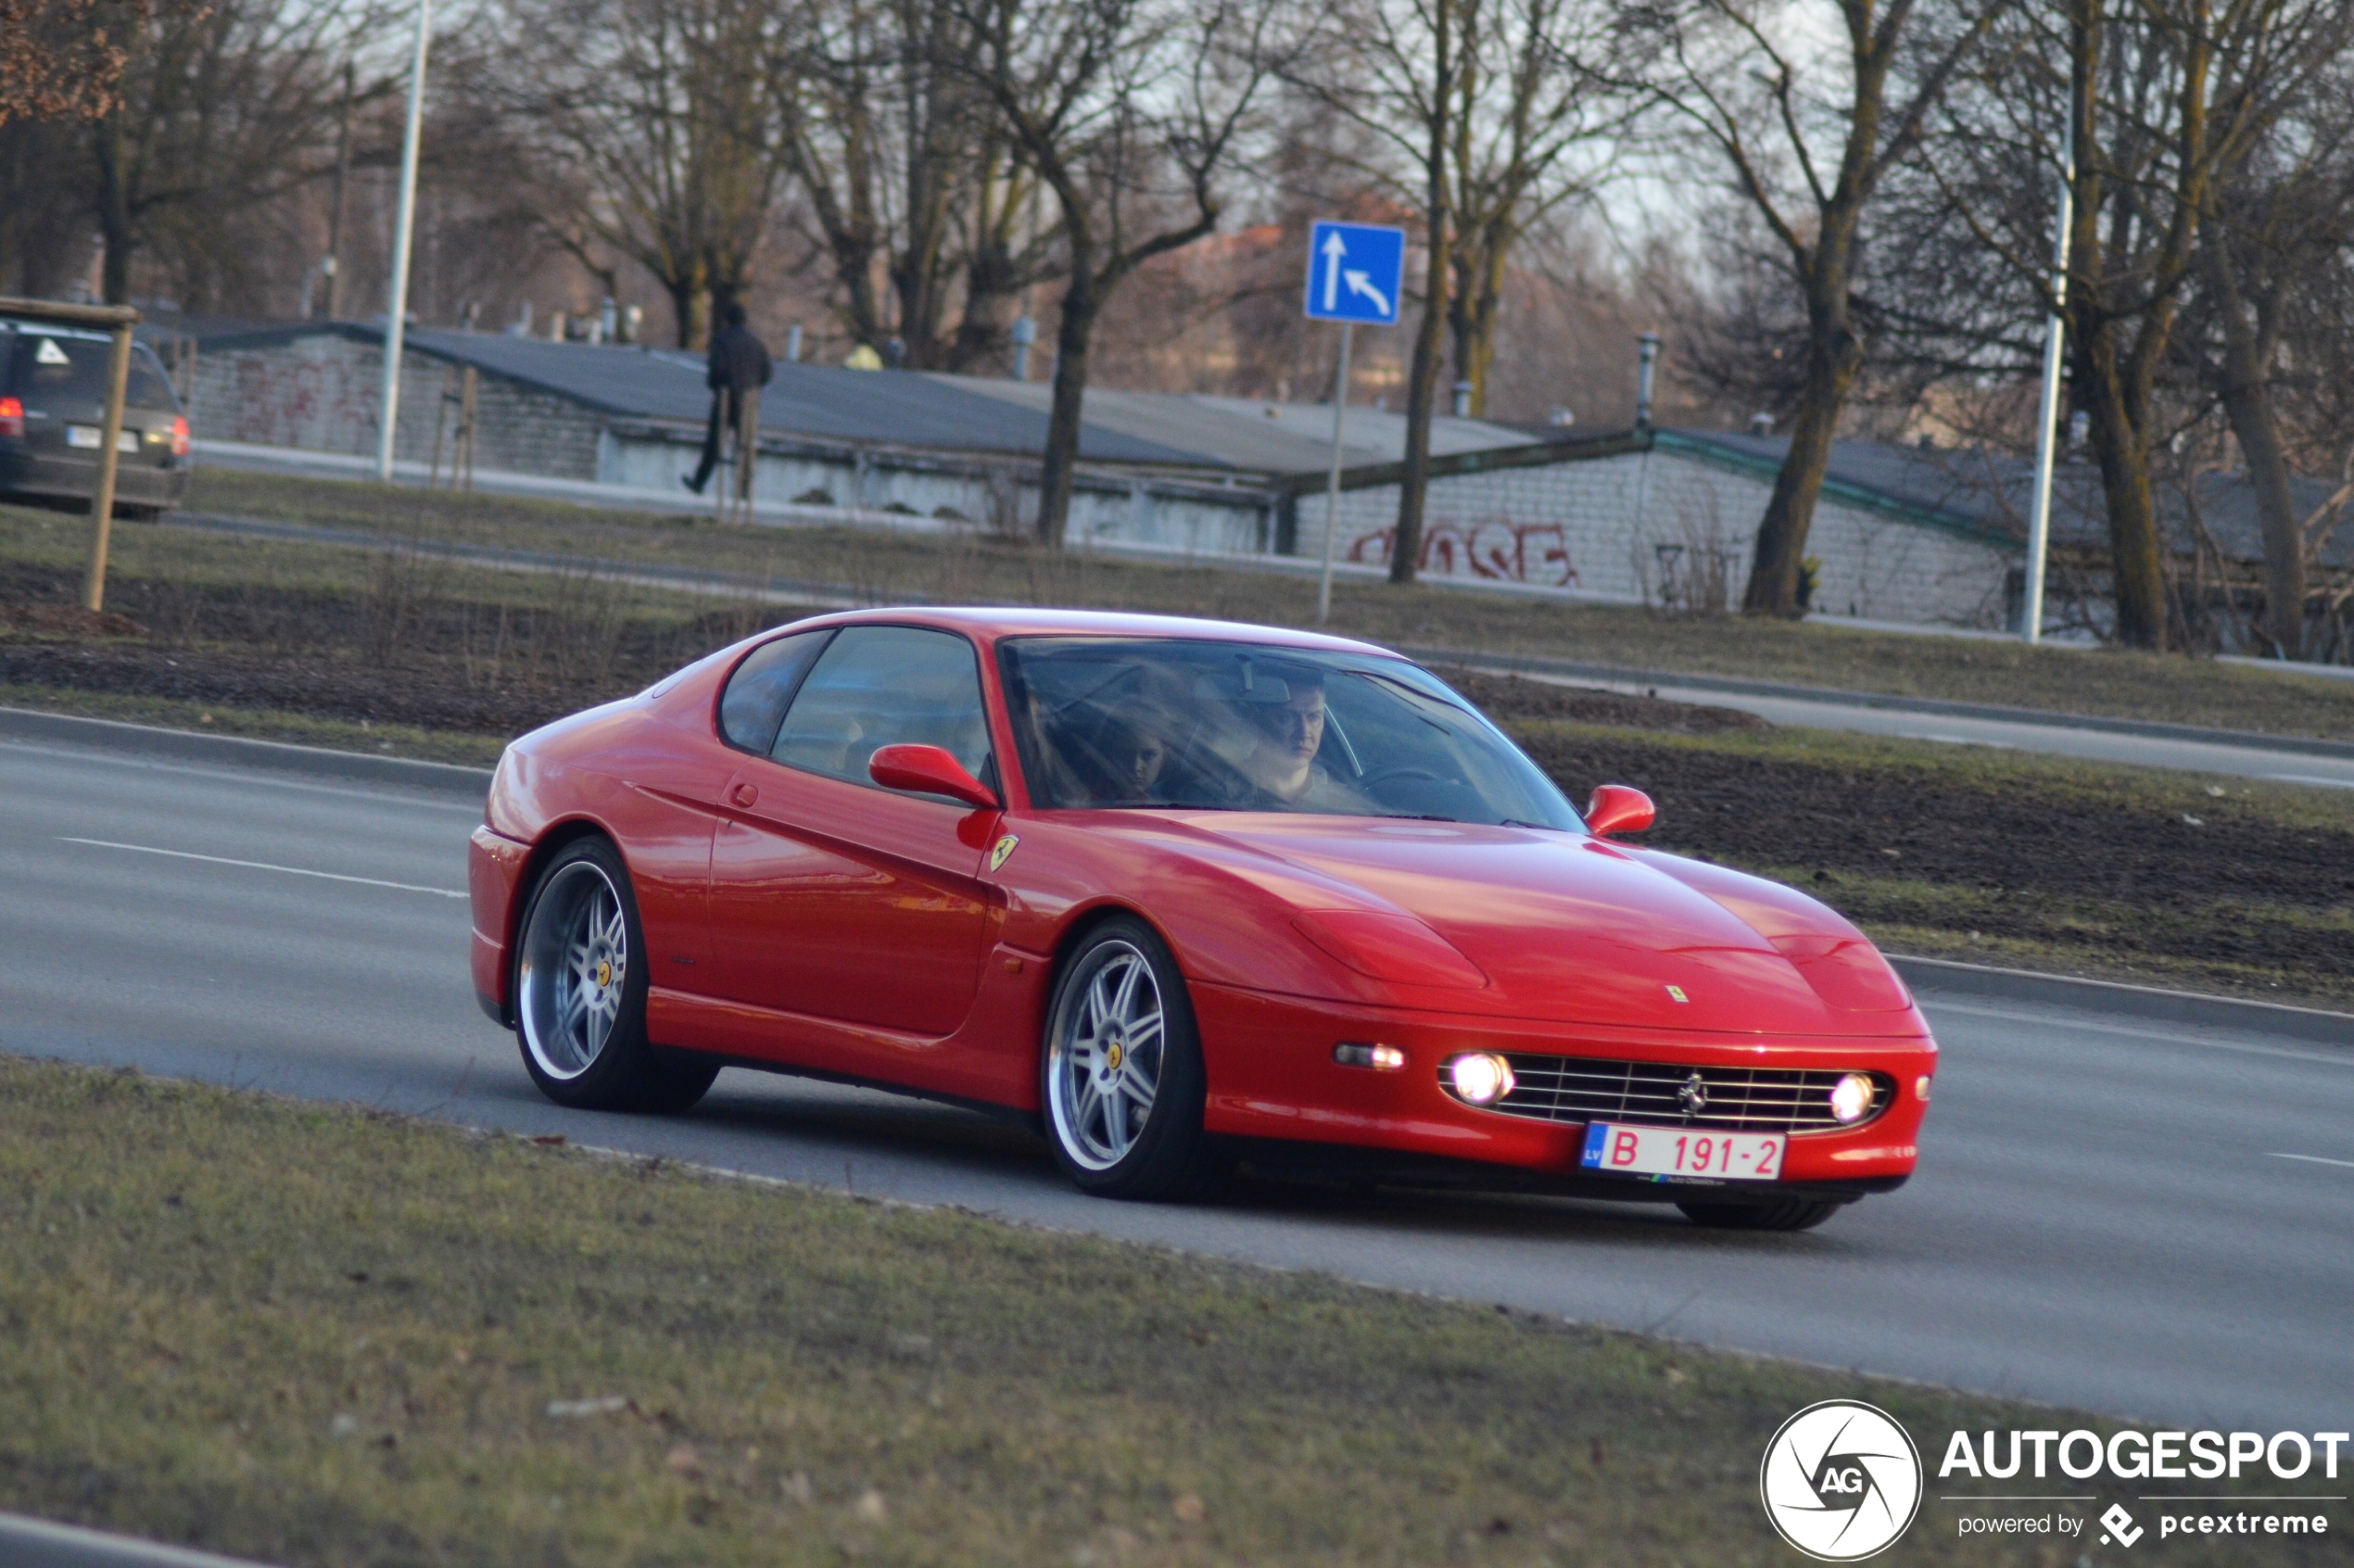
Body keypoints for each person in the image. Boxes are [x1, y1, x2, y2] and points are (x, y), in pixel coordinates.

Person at [684, 302, 773, 495]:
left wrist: (716, 386)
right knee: (745, 446)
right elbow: (767, 374)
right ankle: (745, 488)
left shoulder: (721, 340)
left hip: (726, 397)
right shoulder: (757, 343)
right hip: (748, 400)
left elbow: (716, 369)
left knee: (714, 443)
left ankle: (700, 481)